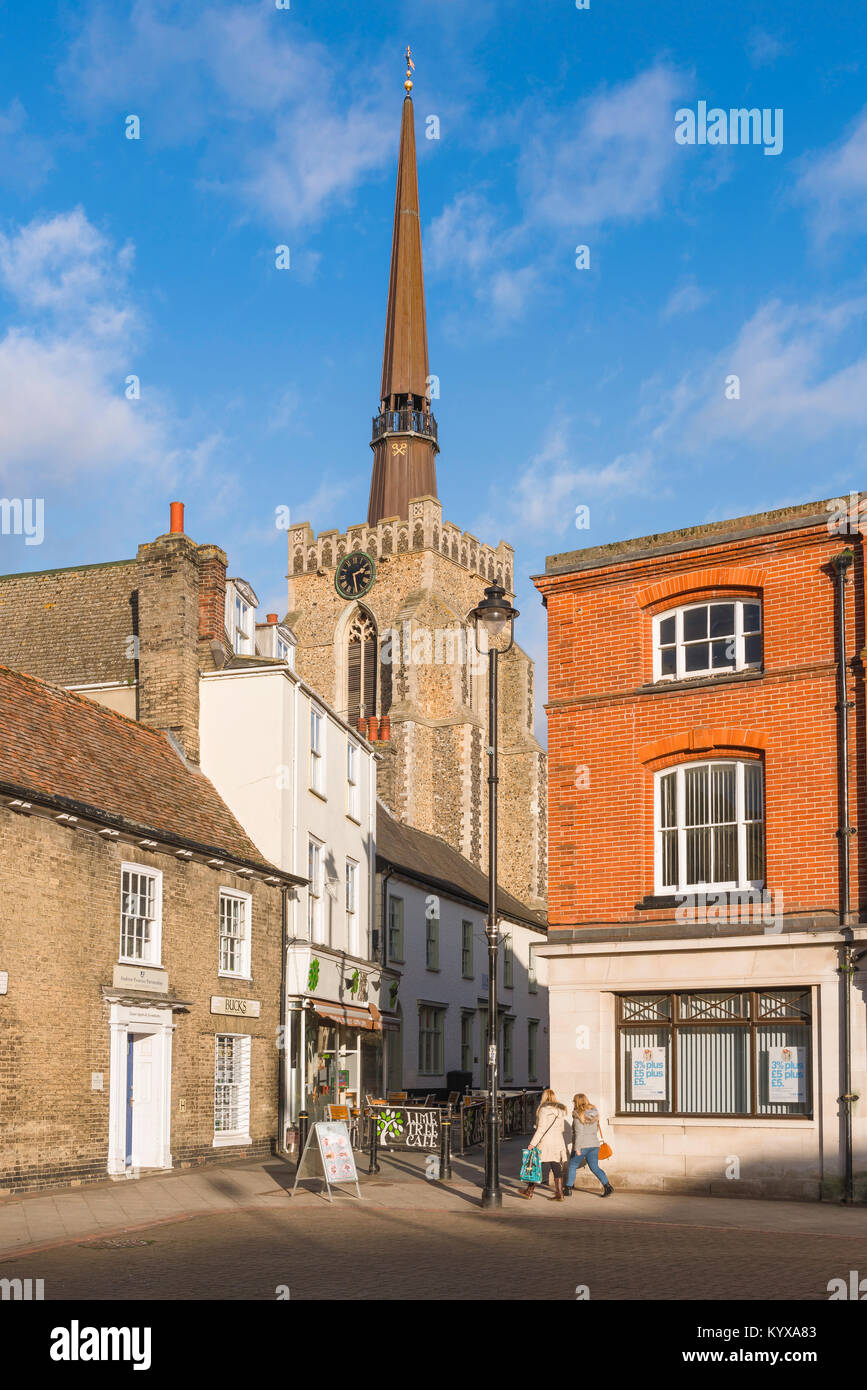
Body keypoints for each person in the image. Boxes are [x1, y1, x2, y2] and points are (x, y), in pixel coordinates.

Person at [522, 1088, 569, 1200]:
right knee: (556, 1165)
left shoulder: (544, 1110)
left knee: (536, 1165)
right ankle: (560, 1194)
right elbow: (562, 1128)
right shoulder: (561, 1111)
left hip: (545, 1141)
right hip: (558, 1141)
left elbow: (541, 1129)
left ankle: (529, 1191)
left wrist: (532, 1144)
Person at [564, 1093, 614, 1197]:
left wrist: (577, 1148)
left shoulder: (578, 1115)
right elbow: (594, 1130)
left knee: (572, 1165)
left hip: (582, 1146)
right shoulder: (594, 1114)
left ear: (577, 1102)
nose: (573, 1103)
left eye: (574, 1101)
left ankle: (568, 1189)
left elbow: (579, 1133)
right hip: (594, 1145)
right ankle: (608, 1186)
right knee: (595, 1167)